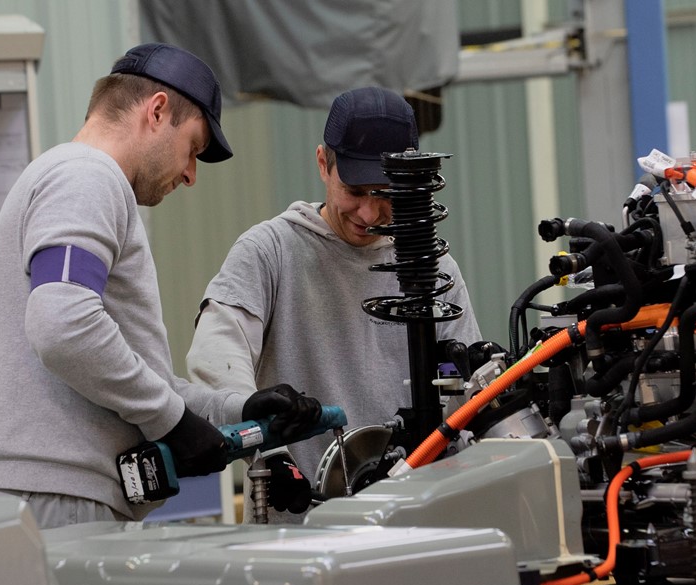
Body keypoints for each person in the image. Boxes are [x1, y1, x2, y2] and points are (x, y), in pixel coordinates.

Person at [0, 43, 317, 530]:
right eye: (193, 148)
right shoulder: (87, 177)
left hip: (53, 494)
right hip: (63, 496)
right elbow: (63, 325)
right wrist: (170, 421)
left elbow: (126, 370)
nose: (190, 175)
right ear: (157, 111)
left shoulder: (70, 178)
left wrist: (236, 408)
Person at [187, 87, 482, 521]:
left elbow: (469, 393)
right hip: (297, 524)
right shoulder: (270, 253)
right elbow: (215, 359)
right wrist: (268, 450)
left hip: (411, 526)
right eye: (355, 190)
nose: (369, 213)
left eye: (385, 193)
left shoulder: (432, 267)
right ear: (323, 164)